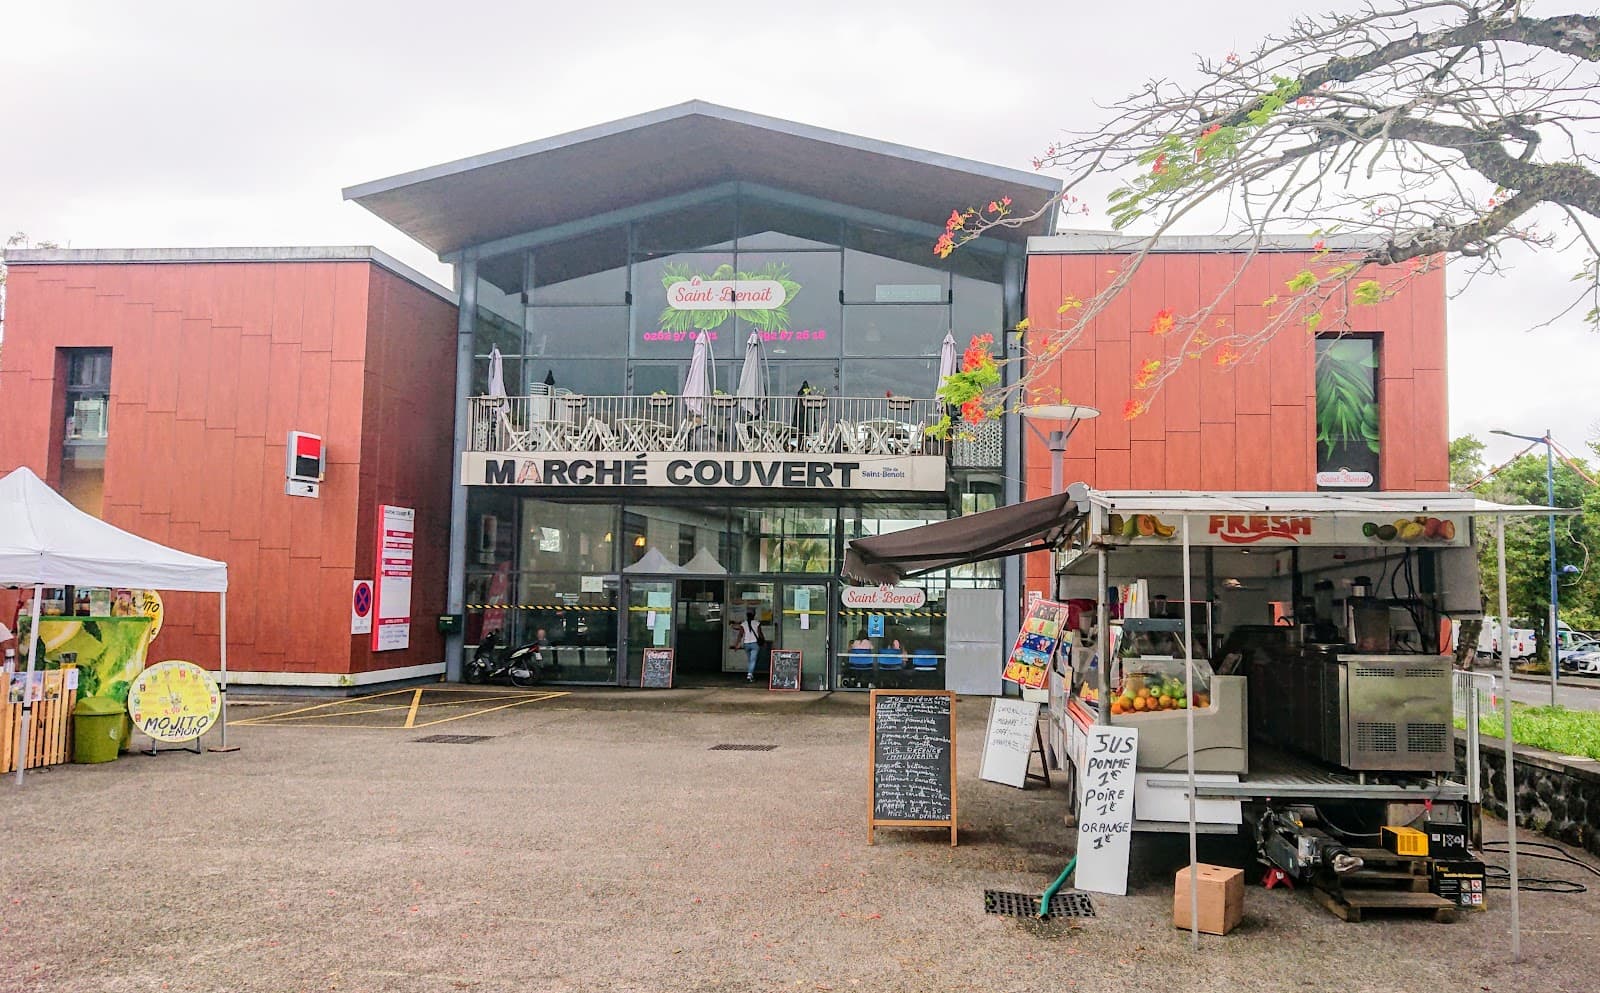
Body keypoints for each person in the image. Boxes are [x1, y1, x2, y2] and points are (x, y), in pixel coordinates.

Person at [732, 609, 763, 682]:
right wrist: (763, 642)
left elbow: (740, 635)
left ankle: (751, 674)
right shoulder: (757, 623)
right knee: (753, 660)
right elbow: (760, 633)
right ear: (754, 615)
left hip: (746, 644)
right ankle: (749, 675)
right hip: (755, 644)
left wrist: (737, 644)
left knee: (750, 660)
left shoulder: (743, 624)